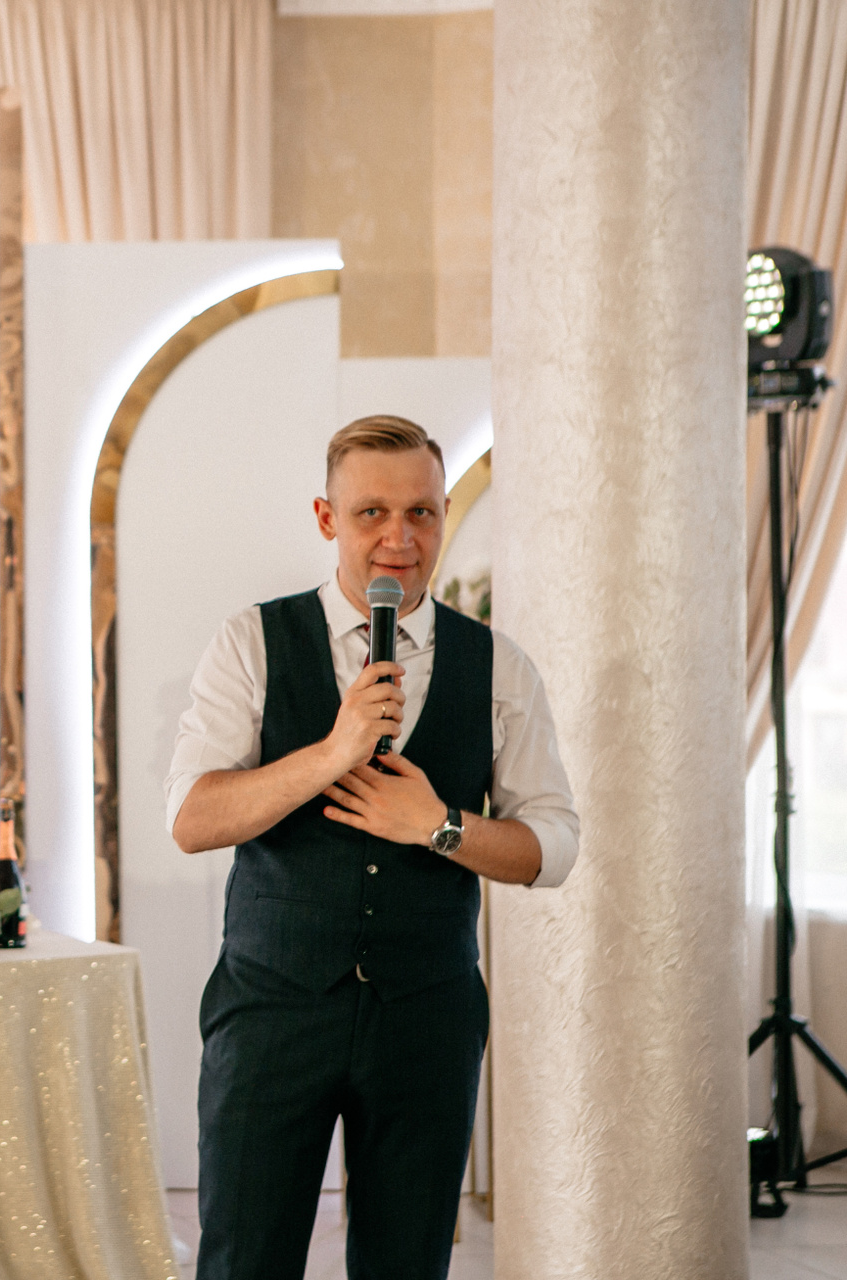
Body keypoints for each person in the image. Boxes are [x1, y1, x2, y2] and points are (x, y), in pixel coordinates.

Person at [166, 415, 579, 1279]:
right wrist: (331, 753)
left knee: (408, 1264)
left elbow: (553, 847)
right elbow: (193, 819)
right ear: (326, 518)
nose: (400, 537)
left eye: (422, 512)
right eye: (371, 513)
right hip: (271, 1009)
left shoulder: (499, 666)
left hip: (427, 1017)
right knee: (243, 1260)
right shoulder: (250, 642)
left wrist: (439, 825)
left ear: (444, 514)